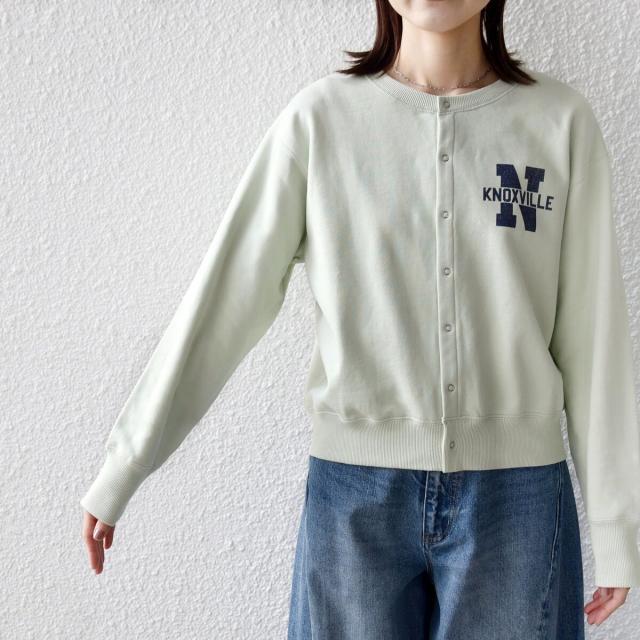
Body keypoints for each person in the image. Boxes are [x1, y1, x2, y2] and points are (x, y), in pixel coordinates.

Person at [81, 0, 640, 637]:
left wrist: (616, 528)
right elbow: (225, 298)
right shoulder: (320, 121)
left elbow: (594, 337)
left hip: (517, 500)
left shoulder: (560, 122)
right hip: (353, 500)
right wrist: (127, 464)